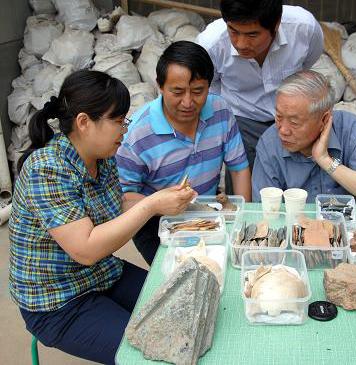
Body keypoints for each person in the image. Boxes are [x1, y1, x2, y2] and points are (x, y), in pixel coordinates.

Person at [9, 70, 196, 364]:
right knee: (152, 351)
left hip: (102, 275)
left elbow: (116, 205)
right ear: (84, 122)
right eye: (119, 121)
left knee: (184, 308)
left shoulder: (103, 157)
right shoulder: (46, 169)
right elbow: (86, 249)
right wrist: (152, 206)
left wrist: (166, 201)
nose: (124, 130)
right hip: (58, 302)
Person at [116, 41, 251, 266]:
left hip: (209, 210)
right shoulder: (137, 134)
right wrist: (159, 205)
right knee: (182, 274)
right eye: (177, 92)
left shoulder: (221, 112)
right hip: (156, 222)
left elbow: (239, 169)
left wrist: (241, 221)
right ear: (160, 85)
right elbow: (125, 197)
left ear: (209, 86)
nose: (188, 102)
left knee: (228, 265)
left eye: (198, 91)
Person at [196, 0, 323, 191]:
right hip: (241, 121)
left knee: (297, 189)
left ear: (276, 24)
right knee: (245, 192)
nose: (240, 43)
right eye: (233, 31)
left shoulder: (304, 28)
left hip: (293, 118)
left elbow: (308, 62)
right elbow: (209, 86)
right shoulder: (211, 44)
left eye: (252, 34)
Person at [252, 70, 356, 206]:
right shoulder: (269, 143)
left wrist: (325, 160)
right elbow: (264, 210)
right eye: (278, 117)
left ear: (324, 119)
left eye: (294, 122)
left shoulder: (353, 131)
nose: (283, 130)